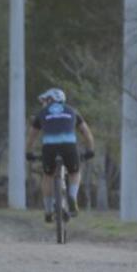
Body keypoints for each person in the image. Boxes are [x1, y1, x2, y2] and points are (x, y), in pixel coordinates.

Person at [26, 88, 94, 222]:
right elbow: (86, 133)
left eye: (45, 100)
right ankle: (72, 197)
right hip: (69, 146)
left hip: (49, 148)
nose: (44, 103)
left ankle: (48, 210)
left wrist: (29, 153)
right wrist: (90, 150)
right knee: (74, 172)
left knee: (48, 175)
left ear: (51, 100)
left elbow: (31, 137)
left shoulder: (42, 113)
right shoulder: (73, 111)